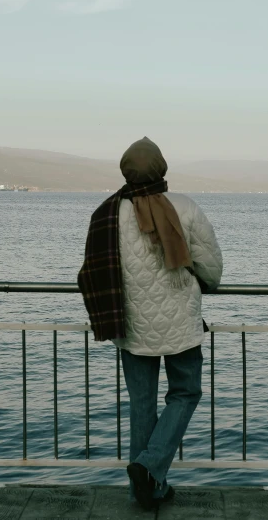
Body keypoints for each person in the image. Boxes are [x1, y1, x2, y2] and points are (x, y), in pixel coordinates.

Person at [78, 137, 223, 509]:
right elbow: (211, 268)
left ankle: (146, 489)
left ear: (126, 170)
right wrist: (200, 282)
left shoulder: (108, 213)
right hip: (181, 324)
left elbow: (94, 270)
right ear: (162, 168)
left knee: (142, 404)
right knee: (185, 393)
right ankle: (148, 468)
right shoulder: (185, 207)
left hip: (131, 324)